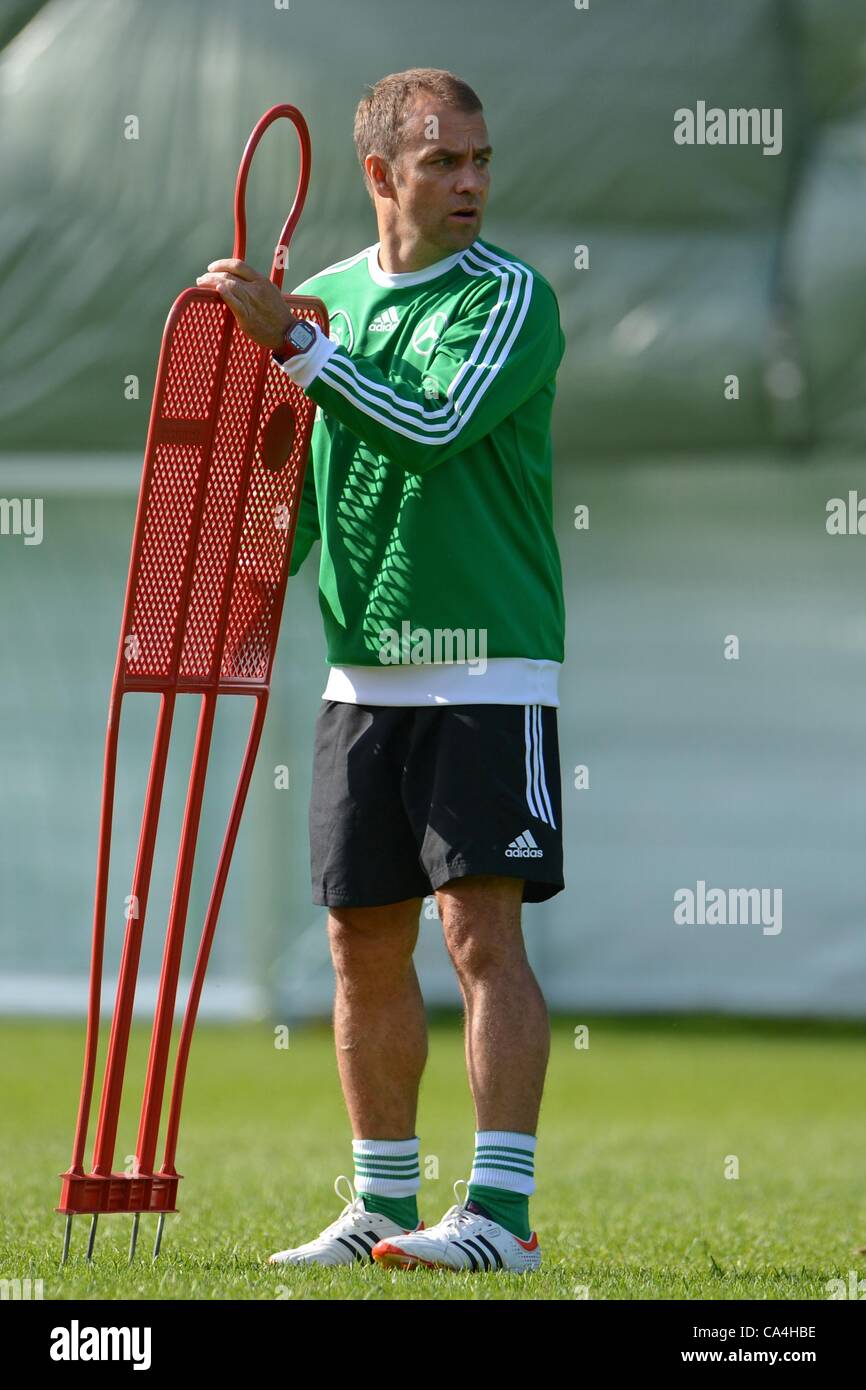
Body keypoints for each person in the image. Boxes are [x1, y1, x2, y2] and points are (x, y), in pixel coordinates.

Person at [196, 66, 566, 1275]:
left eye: (478, 159)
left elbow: (432, 424)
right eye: (439, 161)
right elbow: (301, 498)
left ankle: (500, 1218)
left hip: (487, 665)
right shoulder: (329, 303)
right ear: (378, 173)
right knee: (361, 940)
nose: (467, 182)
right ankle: (376, 1205)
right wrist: (227, 584)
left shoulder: (511, 295)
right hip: (360, 679)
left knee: (477, 936)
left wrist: (295, 353)